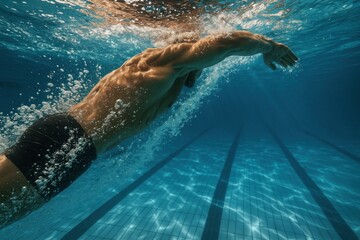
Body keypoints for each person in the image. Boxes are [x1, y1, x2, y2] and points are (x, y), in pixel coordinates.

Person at [0, 30, 298, 228]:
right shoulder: (161, 61)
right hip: (67, 142)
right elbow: (229, 43)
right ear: (185, 47)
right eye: (198, 58)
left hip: (72, 144)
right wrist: (270, 46)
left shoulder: (155, 75)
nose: (201, 65)